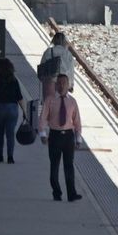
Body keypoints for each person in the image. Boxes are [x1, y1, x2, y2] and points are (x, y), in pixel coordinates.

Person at [40, 73, 83, 202]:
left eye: (64, 83)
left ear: (68, 84)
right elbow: (42, 118)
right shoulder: (50, 100)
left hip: (68, 136)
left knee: (69, 166)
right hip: (55, 135)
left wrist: (78, 138)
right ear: (55, 85)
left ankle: (71, 193)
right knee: (54, 165)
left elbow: (77, 121)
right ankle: (56, 192)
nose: (61, 85)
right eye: (59, 83)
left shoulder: (72, 101)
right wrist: (43, 134)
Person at [0, 57, 28, 164]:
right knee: (10, 134)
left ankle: (0, 155)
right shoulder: (14, 80)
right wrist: (24, 111)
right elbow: (20, 97)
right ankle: (10, 157)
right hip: (12, 109)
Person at [38, 32, 76, 104]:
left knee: (49, 105)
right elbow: (71, 70)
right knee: (61, 106)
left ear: (54, 41)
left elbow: (42, 67)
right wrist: (71, 85)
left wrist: (42, 80)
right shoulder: (68, 53)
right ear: (64, 41)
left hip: (50, 82)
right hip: (64, 83)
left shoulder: (48, 52)